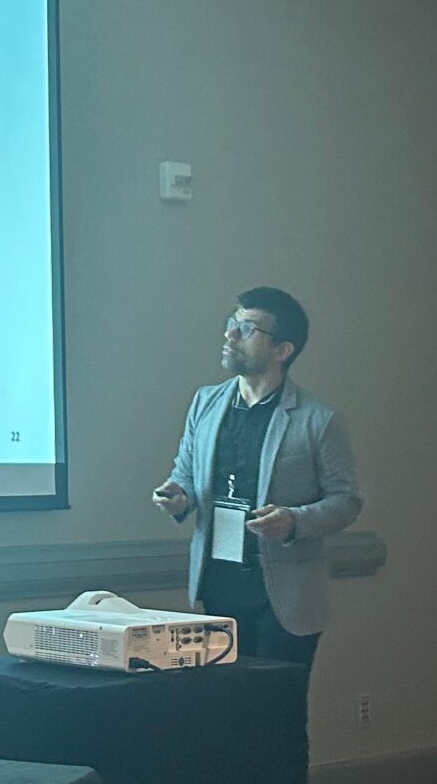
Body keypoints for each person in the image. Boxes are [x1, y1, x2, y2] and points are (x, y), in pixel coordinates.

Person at [152, 287, 362, 671]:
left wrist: (294, 520)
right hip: (218, 584)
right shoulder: (205, 403)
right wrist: (177, 497)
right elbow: (184, 474)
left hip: (283, 594)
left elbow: (346, 501)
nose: (230, 334)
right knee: (225, 703)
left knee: (279, 704)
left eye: (247, 329)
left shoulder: (317, 419)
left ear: (282, 350)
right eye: (232, 324)